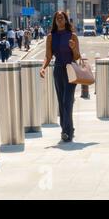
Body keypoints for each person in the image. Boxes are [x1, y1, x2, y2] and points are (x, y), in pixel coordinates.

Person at [40, 11, 81, 142]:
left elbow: (77, 56)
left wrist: (73, 48)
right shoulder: (51, 37)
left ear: (65, 19)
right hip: (58, 71)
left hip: (71, 70)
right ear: (54, 20)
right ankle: (70, 129)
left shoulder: (72, 36)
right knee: (61, 102)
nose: (59, 19)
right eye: (57, 18)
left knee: (67, 101)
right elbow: (48, 56)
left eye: (61, 17)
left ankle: (65, 131)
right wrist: (43, 68)